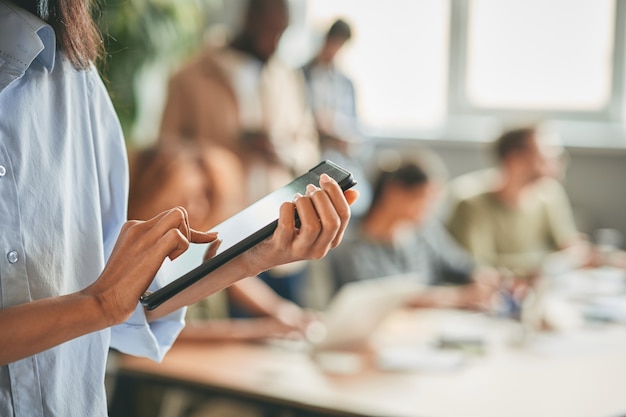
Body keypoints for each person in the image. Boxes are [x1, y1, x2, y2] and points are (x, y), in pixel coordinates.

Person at [0, 2, 357, 417]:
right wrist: (96, 304)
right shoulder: (190, 76)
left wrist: (255, 254)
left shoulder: (76, 76)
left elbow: (129, 294)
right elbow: (107, 299)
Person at [159, 0, 320, 306]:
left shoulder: (286, 77)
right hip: (223, 239)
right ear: (247, 19)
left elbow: (307, 145)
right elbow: (168, 158)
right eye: (269, 30)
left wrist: (281, 151)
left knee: (286, 336)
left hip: (284, 233)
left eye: (281, 33)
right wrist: (223, 153)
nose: (274, 42)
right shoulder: (190, 77)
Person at [126, 142, 314, 341]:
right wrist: (257, 329)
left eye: (206, 197)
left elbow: (233, 278)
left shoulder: (194, 249)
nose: (197, 209)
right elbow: (149, 327)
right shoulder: (136, 253)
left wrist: (282, 311)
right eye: (186, 197)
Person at [328, 151, 497, 311]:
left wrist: (483, 277)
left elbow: (460, 266)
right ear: (394, 192)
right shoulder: (351, 245)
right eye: (425, 198)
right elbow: (380, 301)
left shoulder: (426, 231)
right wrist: (459, 297)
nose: (431, 208)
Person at [446, 124, 586, 279]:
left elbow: (568, 246)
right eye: (546, 152)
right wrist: (549, 262)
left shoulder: (550, 193)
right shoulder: (471, 203)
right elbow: (476, 265)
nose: (555, 159)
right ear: (515, 159)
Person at [301, 18, 373, 218]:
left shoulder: (346, 83)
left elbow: (356, 128)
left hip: (340, 155)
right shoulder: (299, 75)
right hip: (309, 154)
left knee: (358, 198)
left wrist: (347, 141)